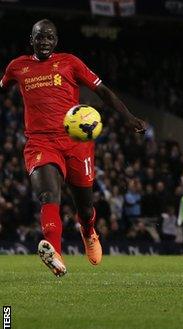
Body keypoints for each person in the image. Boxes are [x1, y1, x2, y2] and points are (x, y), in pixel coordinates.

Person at [0, 19, 147, 276]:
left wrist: (129, 117)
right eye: (39, 37)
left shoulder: (70, 62)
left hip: (76, 143)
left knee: (85, 207)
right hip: (40, 142)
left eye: (49, 37)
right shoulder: (17, 67)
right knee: (48, 195)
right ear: (31, 40)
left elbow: (103, 91)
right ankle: (55, 254)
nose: (44, 41)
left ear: (56, 41)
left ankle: (88, 231)